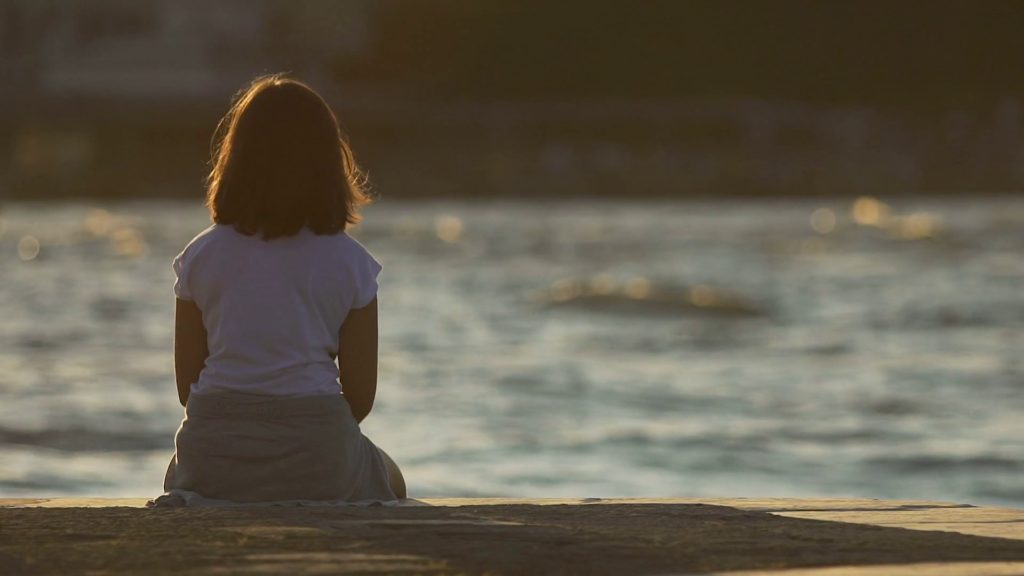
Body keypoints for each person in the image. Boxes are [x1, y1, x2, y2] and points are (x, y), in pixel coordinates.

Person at [164, 74, 406, 503]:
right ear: (330, 165)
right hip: (317, 454)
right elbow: (360, 399)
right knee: (392, 477)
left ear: (234, 160)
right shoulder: (351, 263)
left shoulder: (200, 256)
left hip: (214, 452)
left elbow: (189, 389)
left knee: (180, 468)